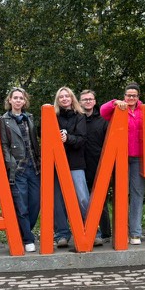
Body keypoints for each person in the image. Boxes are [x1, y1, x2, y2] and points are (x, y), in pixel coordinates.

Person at [100, 83, 145, 245]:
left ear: (138, 97)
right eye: (128, 95)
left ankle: (135, 232)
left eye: (134, 95)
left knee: (137, 194)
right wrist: (114, 102)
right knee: (121, 194)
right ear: (124, 96)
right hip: (121, 157)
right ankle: (121, 231)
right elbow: (102, 111)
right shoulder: (118, 108)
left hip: (139, 158)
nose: (131, 98)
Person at [53, 86, 101, 248]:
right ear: (58, 100)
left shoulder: (79, 116)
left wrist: (68, 138)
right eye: (61, 97)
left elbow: (81, 139)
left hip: (75, 163)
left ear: (72, 98)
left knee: (82, 198)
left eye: (67, 96)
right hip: (56, 164)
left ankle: (93, 231)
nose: (65, 99)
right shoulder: (52, 116)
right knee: (58, 200)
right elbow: (43, 134)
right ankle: (62, 234)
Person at [0, 87, 41, 253]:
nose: (18, 100)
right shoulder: (4, 120)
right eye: (15, 98)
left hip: (34, 166)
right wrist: (11, 164)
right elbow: (3, 144)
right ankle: (28, 238)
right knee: (21, 206)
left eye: (21, 98)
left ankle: (23, 232)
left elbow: (34, 141)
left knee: (35, 204)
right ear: (10, 100)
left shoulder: (29, 117)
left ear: (24, 101)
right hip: (18, 168)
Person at [80, 89, 111, 241]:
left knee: (101, 201)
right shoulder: (77, 120)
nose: (87, 101)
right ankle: (85, 232)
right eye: (84, 99)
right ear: (79, 102)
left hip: (99, 165)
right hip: (80, 167)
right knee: (82, 201)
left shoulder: (103, 120)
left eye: (90, 99)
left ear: (94, 101)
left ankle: (105, 233)